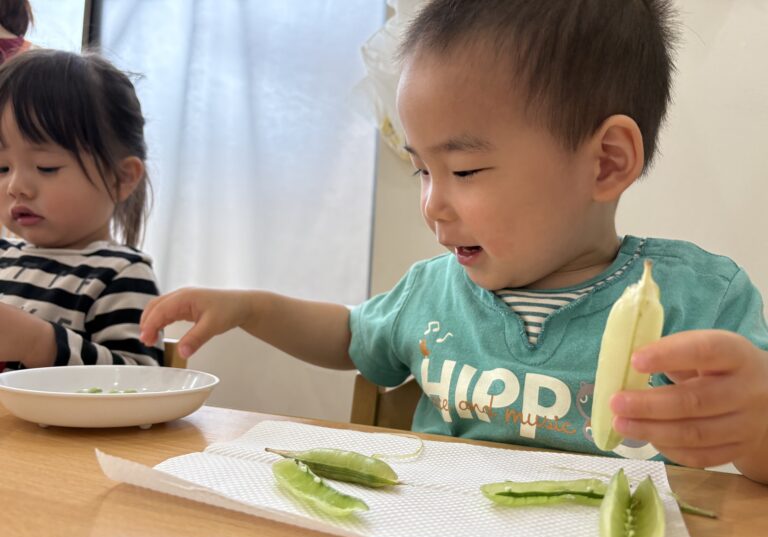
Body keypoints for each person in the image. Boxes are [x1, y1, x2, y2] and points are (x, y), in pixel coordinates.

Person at [139, 0, 768, 484]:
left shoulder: (702, 301)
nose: (432, 204)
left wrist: (757, 421)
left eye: (463, 171)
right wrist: (252, 308)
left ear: (605, 163)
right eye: (421, 169)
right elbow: (352, 338)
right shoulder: (433, 291)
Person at [0, 49, 163, 371]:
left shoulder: (120, 276)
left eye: (47, 167)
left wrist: (39, 344)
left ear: (121, 178)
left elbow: (141, 381)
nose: (16, 187)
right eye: (1, 167)